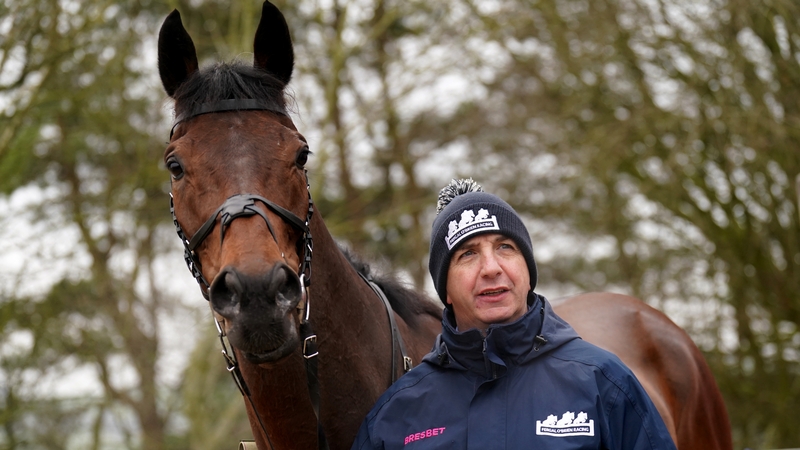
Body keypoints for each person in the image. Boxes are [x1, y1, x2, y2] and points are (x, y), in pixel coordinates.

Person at [351, 179, 677, 450]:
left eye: (506, 247)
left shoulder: (604, 382)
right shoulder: (396, 414)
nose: (491, 268)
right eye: (468, 254)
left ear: (528, 270)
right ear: (445, 290)